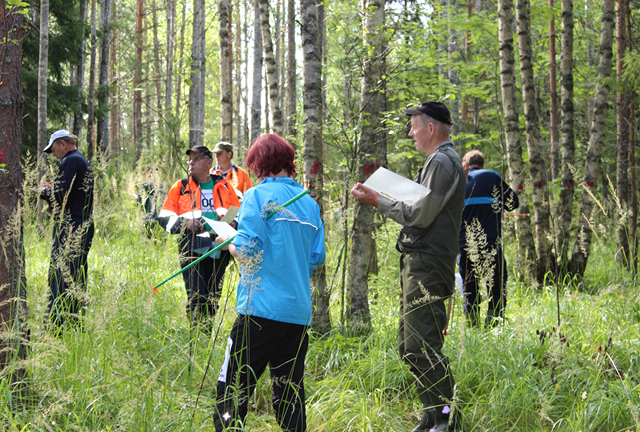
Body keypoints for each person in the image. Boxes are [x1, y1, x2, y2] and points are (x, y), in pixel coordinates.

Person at [351, 101, 465, 432]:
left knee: (422, 344)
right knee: (409, 344)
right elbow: (419, 204)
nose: (410, 133)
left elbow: (419, 215)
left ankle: (446, 420)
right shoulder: (438, 161)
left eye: (414, 126)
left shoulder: (442, 162)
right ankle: (432, 416)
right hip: (420, 261)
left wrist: (377, 200)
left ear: (431, 129)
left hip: (428, 263)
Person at [212, 134, 325, 432]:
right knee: (289, 396)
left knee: (232, 390)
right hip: (297, 314)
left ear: (260, 165)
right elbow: (316, 257)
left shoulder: (256, 196)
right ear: (288, 164)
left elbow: (247, 252)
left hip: (259, 310)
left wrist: (227, 242)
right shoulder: (309, 204)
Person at [157, 145, 241, 326]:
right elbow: (164, 217)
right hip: (191, 247)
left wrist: (234, 223)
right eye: (190, 160)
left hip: (219, 247)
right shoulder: (181, 186)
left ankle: (205, 337)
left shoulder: (225, 185)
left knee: (212, 298)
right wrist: (184, 224)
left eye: (196, 159)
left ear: (208, 163)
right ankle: (195, 340)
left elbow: (238, 213)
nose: (191, 163)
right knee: (196, 297)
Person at [38, 129, 94, 330]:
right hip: (82, 223)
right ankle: (75, 323)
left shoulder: (70, 160)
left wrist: (44, 192)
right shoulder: (81, 160)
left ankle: (56, 327)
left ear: (63, 144)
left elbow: (60, 195)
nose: (54, 154)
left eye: (53, 149)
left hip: (70, 226)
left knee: (60, 274)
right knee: (75, 274)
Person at [458, 150, 519, 328]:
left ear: (465, 165)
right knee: (497, 286)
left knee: (469, 289)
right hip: (491, 243)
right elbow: (513, 202)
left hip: (465, 245)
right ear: (482, 164)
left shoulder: (459, 180)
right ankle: (494, 325)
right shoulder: (492, 176)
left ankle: (471, 325)